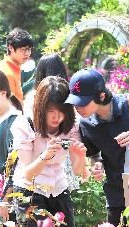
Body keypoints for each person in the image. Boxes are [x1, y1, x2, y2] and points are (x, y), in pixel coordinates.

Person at [64, 68, 129, 227]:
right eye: (75, 102)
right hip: (116, 196)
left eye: (83, 102)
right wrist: (96, 165)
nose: (78, 107)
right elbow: (94, 155)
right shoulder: (86, 124)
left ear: (102, 96)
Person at [11, 76, 87, 227]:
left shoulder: (72, 124)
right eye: (51, 111)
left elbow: (77, 169)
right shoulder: (25, 124)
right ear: (41, 108)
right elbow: (28, 174)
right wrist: (45, 156)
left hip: (59, 188)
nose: (57, 117)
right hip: (30, 192)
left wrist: (81, 156)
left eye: (62, 111)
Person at [23, 53, 86, 191]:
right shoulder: (68, 96)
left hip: (45, 165)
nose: (56, 116)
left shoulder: (32, 98)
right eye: (51, 110)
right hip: (60, 162)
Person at [0, 27, 34, 106]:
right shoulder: (7, 73)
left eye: (29, 49)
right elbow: (9, 106)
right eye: (23, 50)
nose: (27, 53)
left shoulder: (13, 68)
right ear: (11, 48)